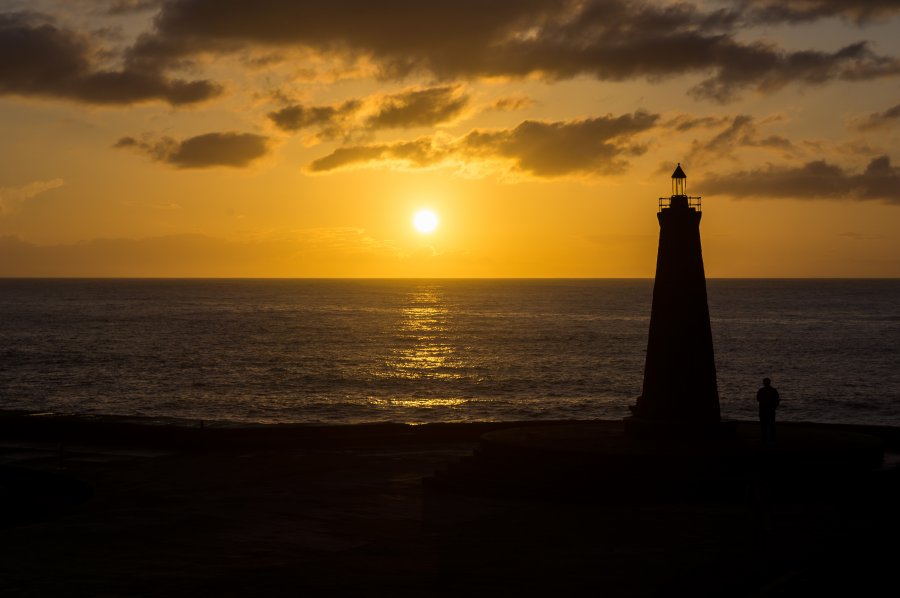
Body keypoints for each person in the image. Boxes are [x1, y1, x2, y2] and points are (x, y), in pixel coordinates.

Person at [757, 377, 780, 443]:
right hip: (770, 410)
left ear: (764, 383)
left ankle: (764, 439)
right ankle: (772, 439)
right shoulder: (773, 390)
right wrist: (774, 407)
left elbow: (758, 399)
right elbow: (777, 401)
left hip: (763, 410)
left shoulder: (761, 390)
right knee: (771, 426)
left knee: (764, 426)